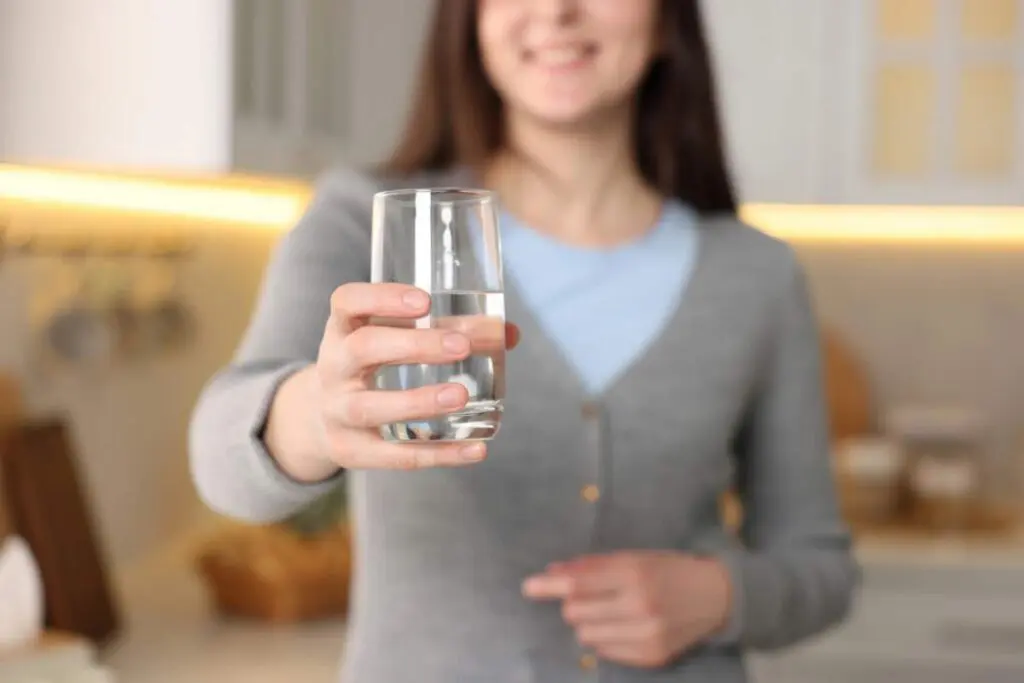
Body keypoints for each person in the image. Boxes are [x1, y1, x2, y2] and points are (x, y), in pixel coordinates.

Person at [189, 1, 859, 681]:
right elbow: (221, 461)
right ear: (472, 20)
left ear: (666, 22)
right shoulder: (367, 220)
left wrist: (721, 595)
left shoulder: (756, 276)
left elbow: (820, 566)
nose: (556, 11)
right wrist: (315, 415)